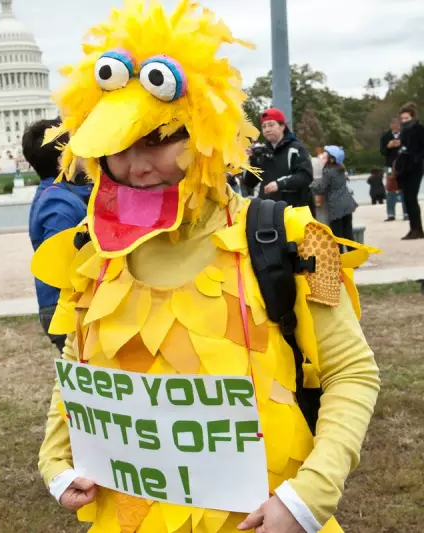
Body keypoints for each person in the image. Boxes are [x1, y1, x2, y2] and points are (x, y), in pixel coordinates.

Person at [33, 3, 380, 533]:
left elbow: (352, 372)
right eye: (118, 146)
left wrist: (309, 497)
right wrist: (55, 458)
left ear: (204, 133)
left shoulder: (298, 238)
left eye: (159, 138)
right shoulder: (89, 252)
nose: (136, 166)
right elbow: (78, 373)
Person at [24, 118, 92, 353]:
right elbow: (67, 264)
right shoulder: (57, 202)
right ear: (61, 160)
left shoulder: (62, 193)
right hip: (65, 308)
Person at [243, 108, 315, 214]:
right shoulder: (262, 152)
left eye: (271, 125)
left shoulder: (296, 148)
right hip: (268, 213)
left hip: (293, 212)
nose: (267, 129)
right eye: (264, 126)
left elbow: (306, 176)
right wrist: (252, 160)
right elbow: (250, 183)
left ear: (282, 126)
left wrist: (280, 184)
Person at [311, 146, 358, 249]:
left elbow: (320, 188)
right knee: (348, 233)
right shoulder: (340, 168)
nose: (322, 157)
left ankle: (339, 259)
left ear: (331, 159)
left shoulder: (328, 172)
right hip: (347, 204)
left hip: (336, 207)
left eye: (325, 156)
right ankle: (354, 257)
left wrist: (311, 184)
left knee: (337, 236)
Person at [396, 102, 424, 239]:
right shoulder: (403, 131)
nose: (404, 121)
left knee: (411, 198)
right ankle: (413, 228)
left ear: (412, 117)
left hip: (415, 167)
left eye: (406, 118)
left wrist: (416, 159)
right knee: (407, 198)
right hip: (404, 168)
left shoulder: (419, 129)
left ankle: (418, 229)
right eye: (402, 119)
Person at [380, 118, 407, 221]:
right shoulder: (385, 136)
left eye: (397, 127)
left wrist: (401, 145)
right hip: (389, 165)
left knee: (404, 189)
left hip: (403, 165)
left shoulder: (405, 135)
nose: (395, 130)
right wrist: (388, 146)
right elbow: (382, 152)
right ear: (391, 126)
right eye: (393, 127)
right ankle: (391, 213)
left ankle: (406, 212)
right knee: (390, 189)